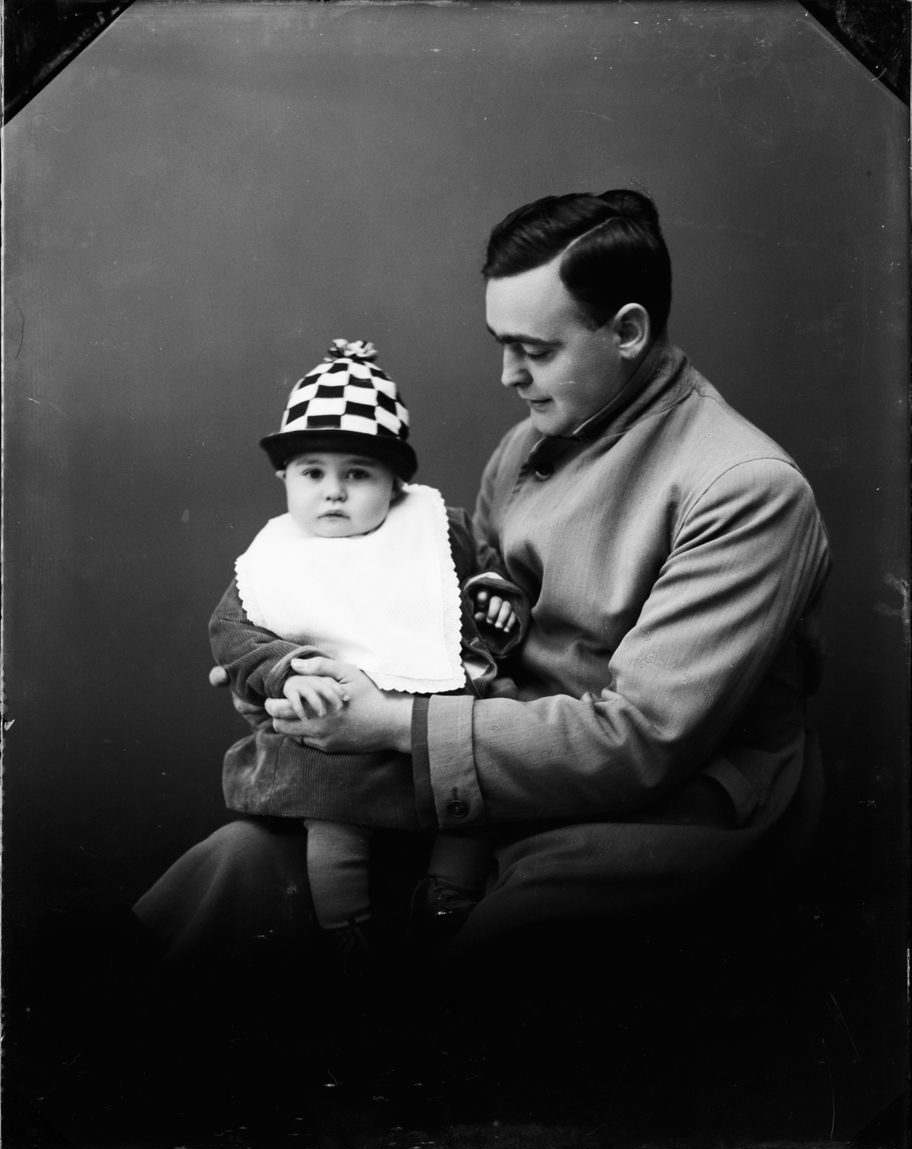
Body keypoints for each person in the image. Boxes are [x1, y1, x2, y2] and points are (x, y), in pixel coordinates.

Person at [135, 187, 829, 1011]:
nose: (508, 376)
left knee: (476, 981)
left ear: (628, 331)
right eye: (502, 345)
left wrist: (388, 723)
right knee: (231, 874)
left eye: (535, 350)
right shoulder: (527, 445)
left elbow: (643, 742)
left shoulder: (746, 489)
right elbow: (455, 624)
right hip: (489, 761)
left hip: (660, 806)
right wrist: (300, 676)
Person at [208, 338, 529, 969]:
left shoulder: (436, 528)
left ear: (396, 482)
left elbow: (480, 574)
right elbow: (233, 634)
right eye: (312, 473)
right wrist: (288, 672)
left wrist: (494, 600)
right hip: (339, 733)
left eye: (357, 474)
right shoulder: (274, 559)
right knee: (332, 822)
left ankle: (446, 899)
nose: (333, 492)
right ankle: (348, 934)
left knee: (472, 806)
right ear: (284, 477)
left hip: (435, 724)